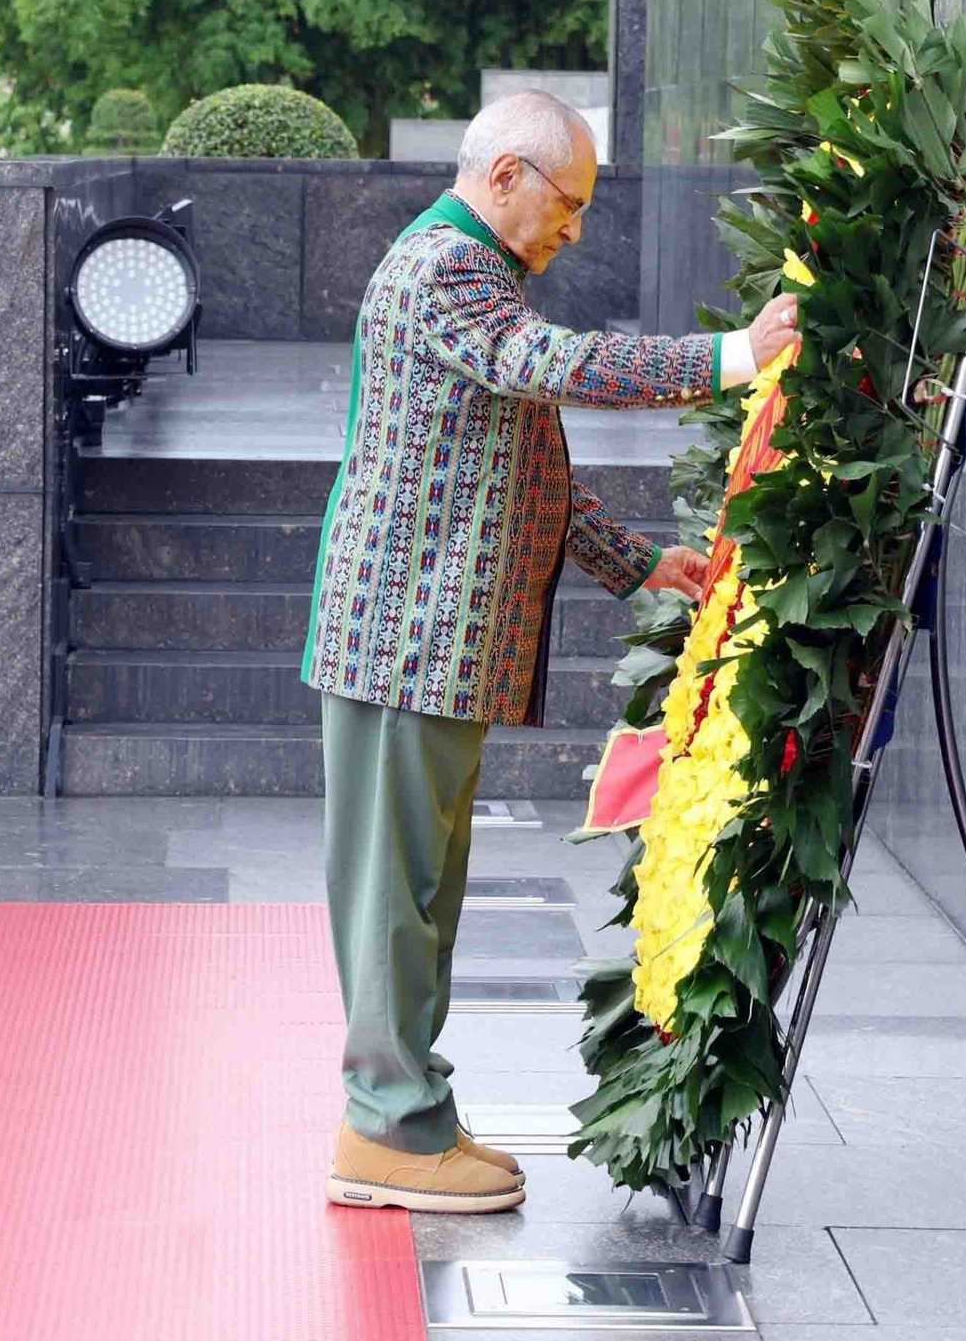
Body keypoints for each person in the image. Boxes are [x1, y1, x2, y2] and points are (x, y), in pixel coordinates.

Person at [302, 90, 801, 1213]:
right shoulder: (446, 268)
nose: (572, 228)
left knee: (417, 890)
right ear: (504, 177)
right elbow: (549, 367)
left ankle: (408, 1112)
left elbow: (518, 458)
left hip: (425, 640)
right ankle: (385, 1126)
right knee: (397, 892)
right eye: (565, 204)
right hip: (406, 637)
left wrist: (636, 562)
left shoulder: (469, 270)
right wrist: (732, 354)